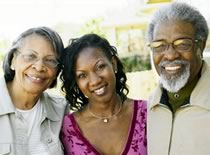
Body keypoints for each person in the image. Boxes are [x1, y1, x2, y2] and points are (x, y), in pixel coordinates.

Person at [60, 34, 147, 155]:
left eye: (100, 67)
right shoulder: (66, 129)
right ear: (76, 82)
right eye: (82, 75)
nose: (95, 80)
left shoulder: (147, 114)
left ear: (114, 64)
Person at [146, 2, 210, 155]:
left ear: (200, 46)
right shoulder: (148, 110)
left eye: (182, 44)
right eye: (160, 45)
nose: (170, 55)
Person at [0, 26, 68, 155]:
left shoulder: (61, 109)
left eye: (50, 60)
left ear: (57, 72)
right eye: (30, 56)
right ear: (13, 60)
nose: (39, 66)